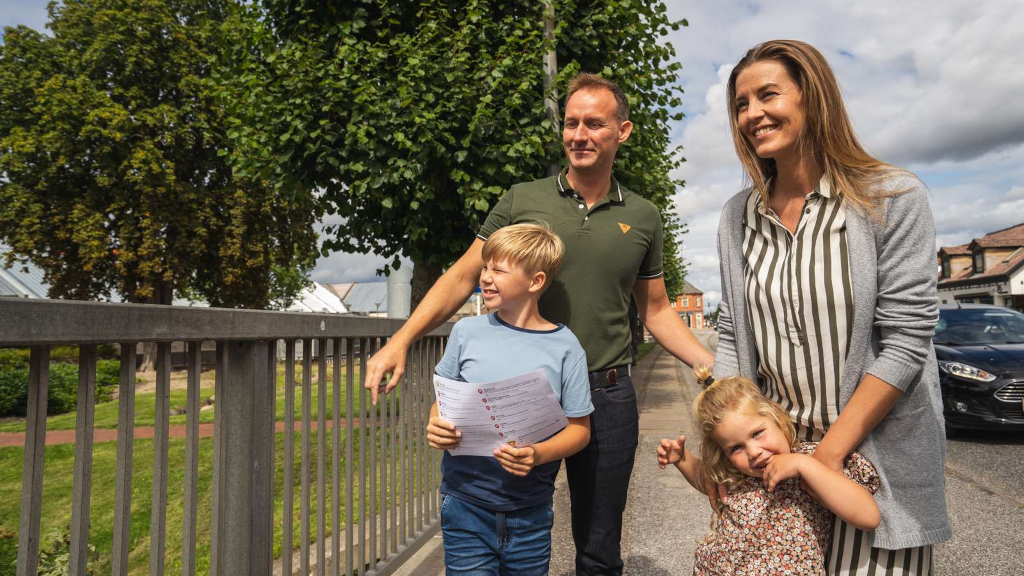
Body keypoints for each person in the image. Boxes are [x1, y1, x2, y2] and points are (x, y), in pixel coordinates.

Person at [366, 73, 714, 575]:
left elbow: (657, 310)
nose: (579, 135)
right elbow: (464, 274)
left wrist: (716, 365)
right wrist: (400, 340)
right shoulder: (522, 198)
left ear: (623, 131)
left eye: (594, 123)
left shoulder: (643, 216)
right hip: (520, 393)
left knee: (598, 546)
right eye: (571, 123)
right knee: (506, 520)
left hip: (606, 395)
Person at [714, 40, 951, 575]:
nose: (753, 114)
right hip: (776, 462)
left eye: (768, 95)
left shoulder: (891, 197)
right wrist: (722, 437)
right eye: (741, 105)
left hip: (874, 456)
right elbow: (733, 332)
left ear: (813, 96)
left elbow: (907, 340)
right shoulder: (737, 216)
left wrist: (826, 456)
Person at [425, 223, 594, 575]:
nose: (485, 277)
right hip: (464, 503)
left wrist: (538, 454)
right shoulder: (465, 332)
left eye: (498, 269)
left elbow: (579, 430)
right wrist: (435, 422)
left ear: (535, 282)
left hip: (530, 510)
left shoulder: (566, 347)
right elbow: (445, 396)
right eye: (485, 267)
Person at [657, 370, 880, 575]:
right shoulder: (737, 473)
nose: (753, 452)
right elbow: (706, 481)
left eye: (757, 433)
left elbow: (868, 516)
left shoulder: (811, 461)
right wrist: (683, 460)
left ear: (775, 418)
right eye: (736, 448)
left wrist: (804, 465)